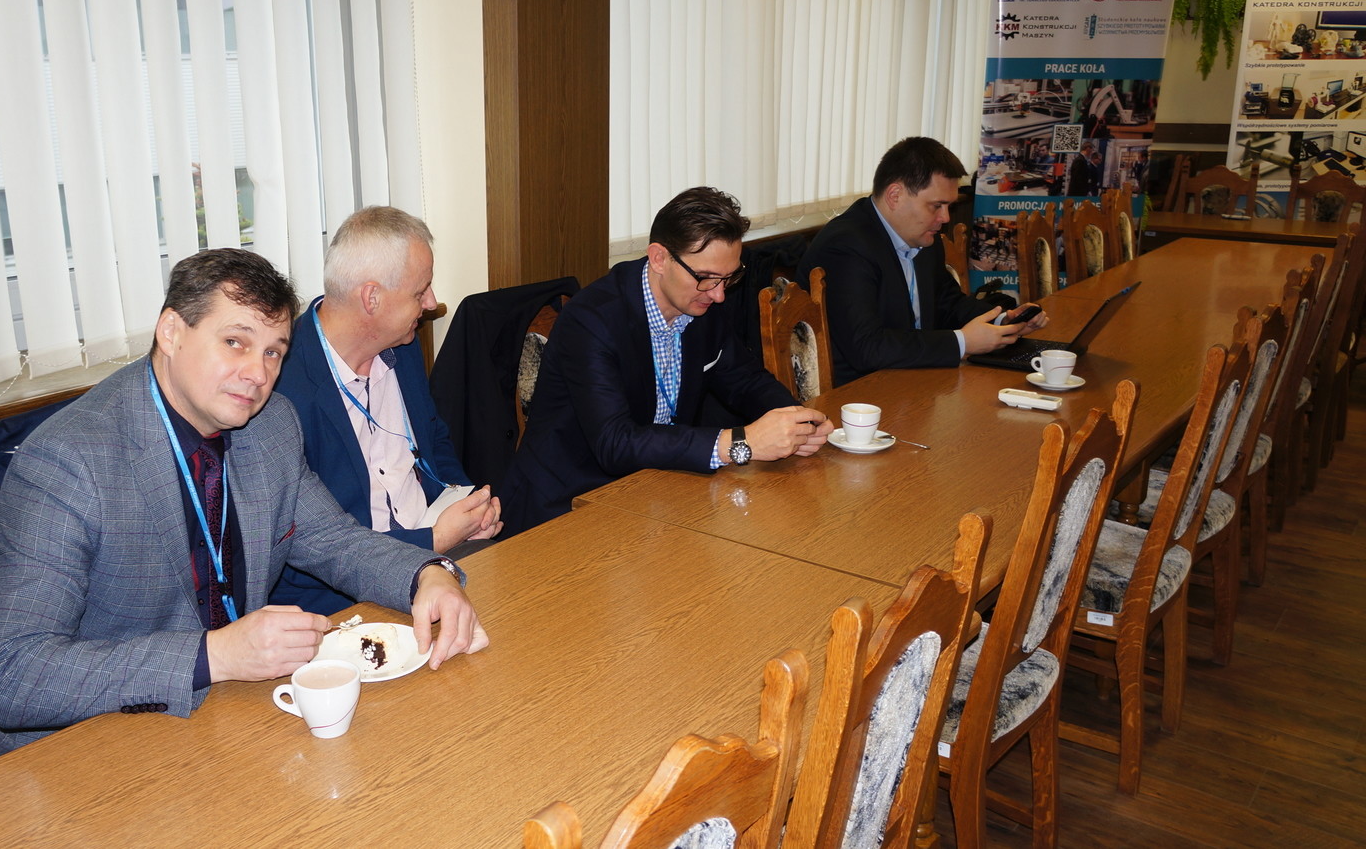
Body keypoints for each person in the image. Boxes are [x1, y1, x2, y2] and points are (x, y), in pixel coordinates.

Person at [0, 248, 486, 766]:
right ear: (171, 332)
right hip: (75, 755)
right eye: (235, 342)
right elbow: (13, 676)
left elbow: (333, 540)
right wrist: (215, 655)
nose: (257, 374)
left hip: (221, 724)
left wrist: (428, 574)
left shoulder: (271, 425)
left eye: (273, 352)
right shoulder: (69, 460)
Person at [500, 186, 833, 535]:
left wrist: (797, 421)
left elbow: (745, 379)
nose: (719, 294)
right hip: (569, 505)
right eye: (706, 278)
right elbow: (615, 443)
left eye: (729, 278)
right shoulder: (593, 320)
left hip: (656, 489)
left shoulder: (702, 301)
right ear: (659, 258)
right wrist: (740, 442)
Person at [270, 206, 502, 614]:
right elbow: (306, 552)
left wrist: (466, 506)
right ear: (371, 297)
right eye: (420, 292)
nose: (431, 303)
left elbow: (433, 437)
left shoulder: (401, 344)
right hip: (346, 594)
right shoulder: (281, 387)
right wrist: (433, 541)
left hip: (441, 549)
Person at [796, 136, 1048, 385]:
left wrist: (1003, 322)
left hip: (917, 377)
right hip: (860, 393)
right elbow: (867, 348)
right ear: (895, 195)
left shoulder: (921, 235)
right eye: (936, 206)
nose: (945, 218)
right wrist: (962, 342)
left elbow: (946, 302)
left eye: (949, 206)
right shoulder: (846, 246)